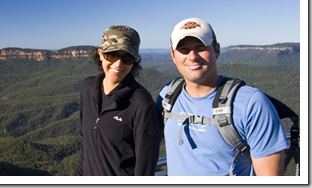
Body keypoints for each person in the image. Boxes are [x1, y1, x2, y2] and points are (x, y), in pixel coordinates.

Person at [155, 17, 289, 176]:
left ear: (216, 50)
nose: (192, 56)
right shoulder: (167, 96)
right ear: (173, 55)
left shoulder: (251, 103)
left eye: (200, 47)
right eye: (184, 49)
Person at [75, 25, 163, 176]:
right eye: (112, 55)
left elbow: (145, 170)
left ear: (134, 61)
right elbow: (86, 146)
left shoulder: (142, 104)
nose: (118, 64)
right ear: (100, 54)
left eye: (127, 58)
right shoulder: (87, 88)